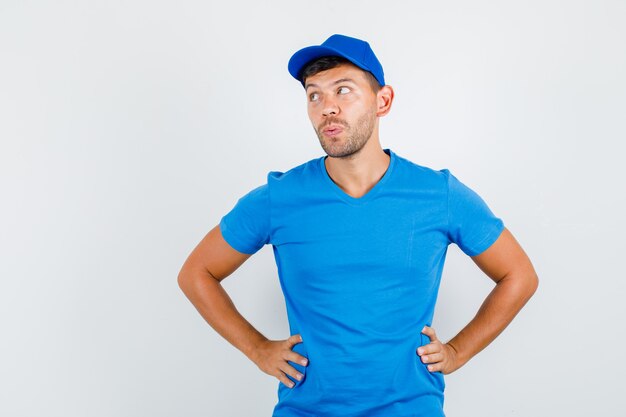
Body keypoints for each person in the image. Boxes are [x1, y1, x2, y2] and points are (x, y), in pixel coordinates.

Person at [178, 34, 539, 417]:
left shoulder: (439, 194)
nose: (327, 108)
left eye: (343, 90)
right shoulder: (278, 198)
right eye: (314, 95)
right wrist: (257, 348)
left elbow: (519, 275)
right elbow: (196, 273)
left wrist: (457, 351)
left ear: (382, 101)